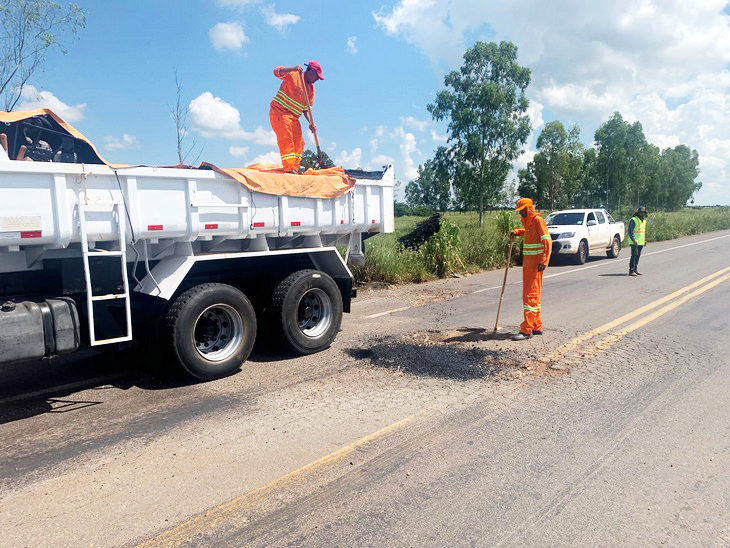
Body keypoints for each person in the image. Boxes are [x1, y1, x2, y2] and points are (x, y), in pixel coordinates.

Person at [269, 61, 324, 174]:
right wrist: (292, 69)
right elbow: (277, 71)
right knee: (287, 139)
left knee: (300, 142)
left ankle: (294, 168)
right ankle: (289, 169)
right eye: (317, 76)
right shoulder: (294, 75)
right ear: (311, 71)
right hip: (280, 113)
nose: (317, 79)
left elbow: (306, 110)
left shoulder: (311, 90)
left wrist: (311, 123)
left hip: (294, 117)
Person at [510, 198, 552, 341]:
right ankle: (537, 326)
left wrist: (544, 260)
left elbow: (547, 240)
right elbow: (529, 233)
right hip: (528, 266)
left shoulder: (537, 220)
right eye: (519, 211)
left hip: (535, 266)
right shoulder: (529, 222)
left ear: (529, 209)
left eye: (522, 211)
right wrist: (517, 232)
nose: (520, 213)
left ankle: (526, 330)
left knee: (530, 296)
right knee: (534, 296)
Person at [627, 206, 648, 276]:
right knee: (634, 255)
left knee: (638, 255)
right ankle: (631, 270)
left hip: (640, 241)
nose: (642, 214)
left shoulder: (644, 221)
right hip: (634, 241)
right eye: (641, 212)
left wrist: (644, 240)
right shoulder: (634, 219)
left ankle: (635, 269)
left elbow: (643, 232)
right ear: (638, 213)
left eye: (643, 212)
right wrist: (633, 239)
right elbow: (630, 231)